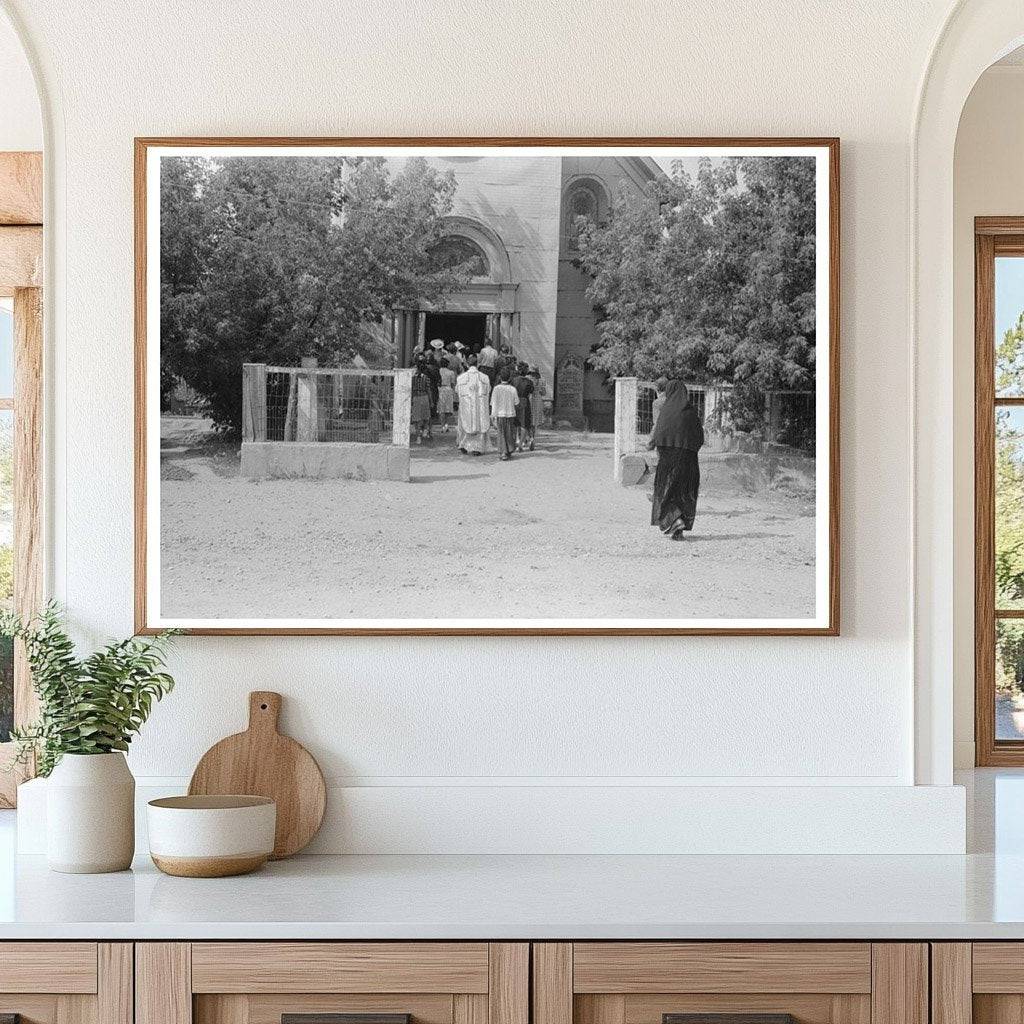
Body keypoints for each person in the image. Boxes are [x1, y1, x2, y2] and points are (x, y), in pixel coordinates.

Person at [647, 380, 705, 539]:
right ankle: (678, 529)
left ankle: (675, 520)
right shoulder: (691, 412)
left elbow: (659, 433)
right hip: (688, 460)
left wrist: (658, 447)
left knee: (666, 491)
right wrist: (689, 449)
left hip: (668, 459)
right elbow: (699, 437)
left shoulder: (666, 411)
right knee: (683, 492)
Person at [455, 355, 492, 455]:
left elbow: (457, 391)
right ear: (478, 364)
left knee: (465, 423)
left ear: (467, 364)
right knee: (479, 423)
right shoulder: (485, 377)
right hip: (480, 406)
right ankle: (477, 448)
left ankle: (463, 445)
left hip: (466, 406)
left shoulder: (460, 378)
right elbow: (488, 390)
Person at [490, 367, 520, 461]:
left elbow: (493, 403)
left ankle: (503, 452)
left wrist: (493, 416)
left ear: (500, 377)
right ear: (510, 378)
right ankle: (509, 450)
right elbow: (517, 402)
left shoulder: (496, 389)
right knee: (510, 433)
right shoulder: (513, 389)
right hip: (510, 414)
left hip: (500, 414)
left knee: (501, 433)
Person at [511, 361, 534, 452]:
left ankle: (516, 440)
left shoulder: (513, 380)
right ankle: (520, 443)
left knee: (515, 423)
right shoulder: (529, 382)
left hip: (515, 401)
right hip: (525, 401)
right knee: (524, 424)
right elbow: (531, 392)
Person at [410, 356, 434, 444]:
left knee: (416, 418)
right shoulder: (426, 378)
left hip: (416, 397)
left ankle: (418, 436)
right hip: (424, 398)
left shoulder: (413, 378)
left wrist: (411, 400)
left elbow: (412, 390)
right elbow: (428, 390)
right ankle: (425, 430)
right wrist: (431, 401)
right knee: (426, 416)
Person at [527, 366, 544, 448]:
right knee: (534, 421)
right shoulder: (541, 381)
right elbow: (544, 393)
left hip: (529, 399)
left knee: (528, 419)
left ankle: (528, 437)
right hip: (537, 400)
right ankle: (532, 438)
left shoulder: (527, 379)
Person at [437, 361, 456, 433]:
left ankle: (442, 426)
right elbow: (453, 383)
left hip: (440, 389)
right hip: (448, 389)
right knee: (448, 409)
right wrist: (453, 393)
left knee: (441, 409)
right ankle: (446, 425)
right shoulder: (451, 372)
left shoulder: (438, 371)